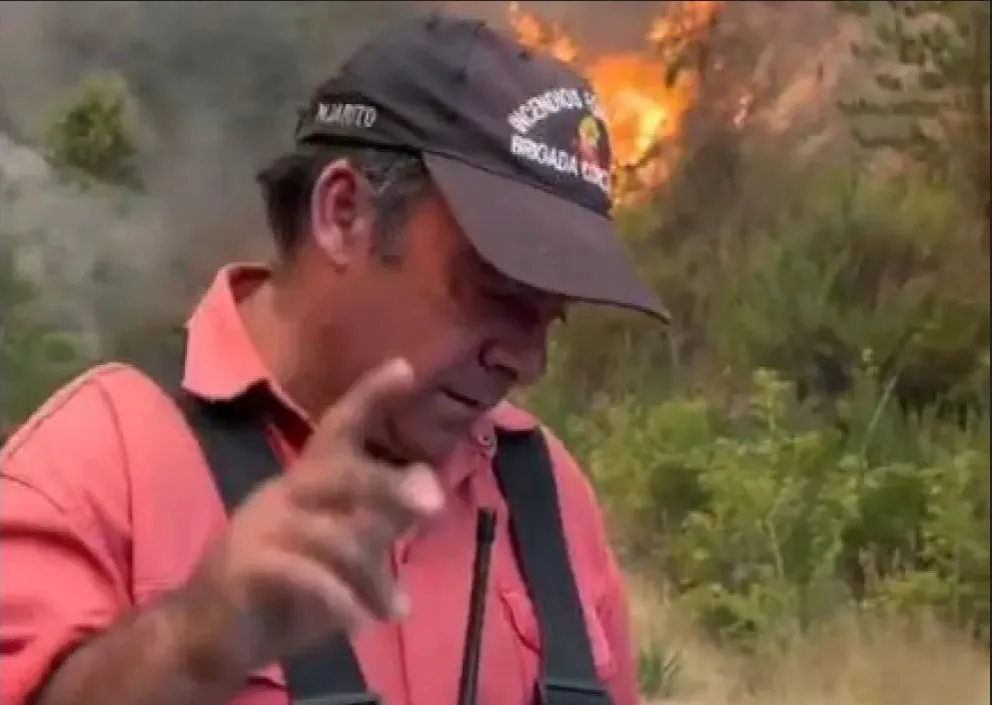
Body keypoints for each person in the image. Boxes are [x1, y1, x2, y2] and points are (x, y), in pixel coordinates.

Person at [0, 13, 668, 705]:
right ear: (344, 212)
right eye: (494, 291)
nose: (525, 359)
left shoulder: (547, 496)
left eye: (550, 314)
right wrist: (194, 642)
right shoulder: (98, 470)